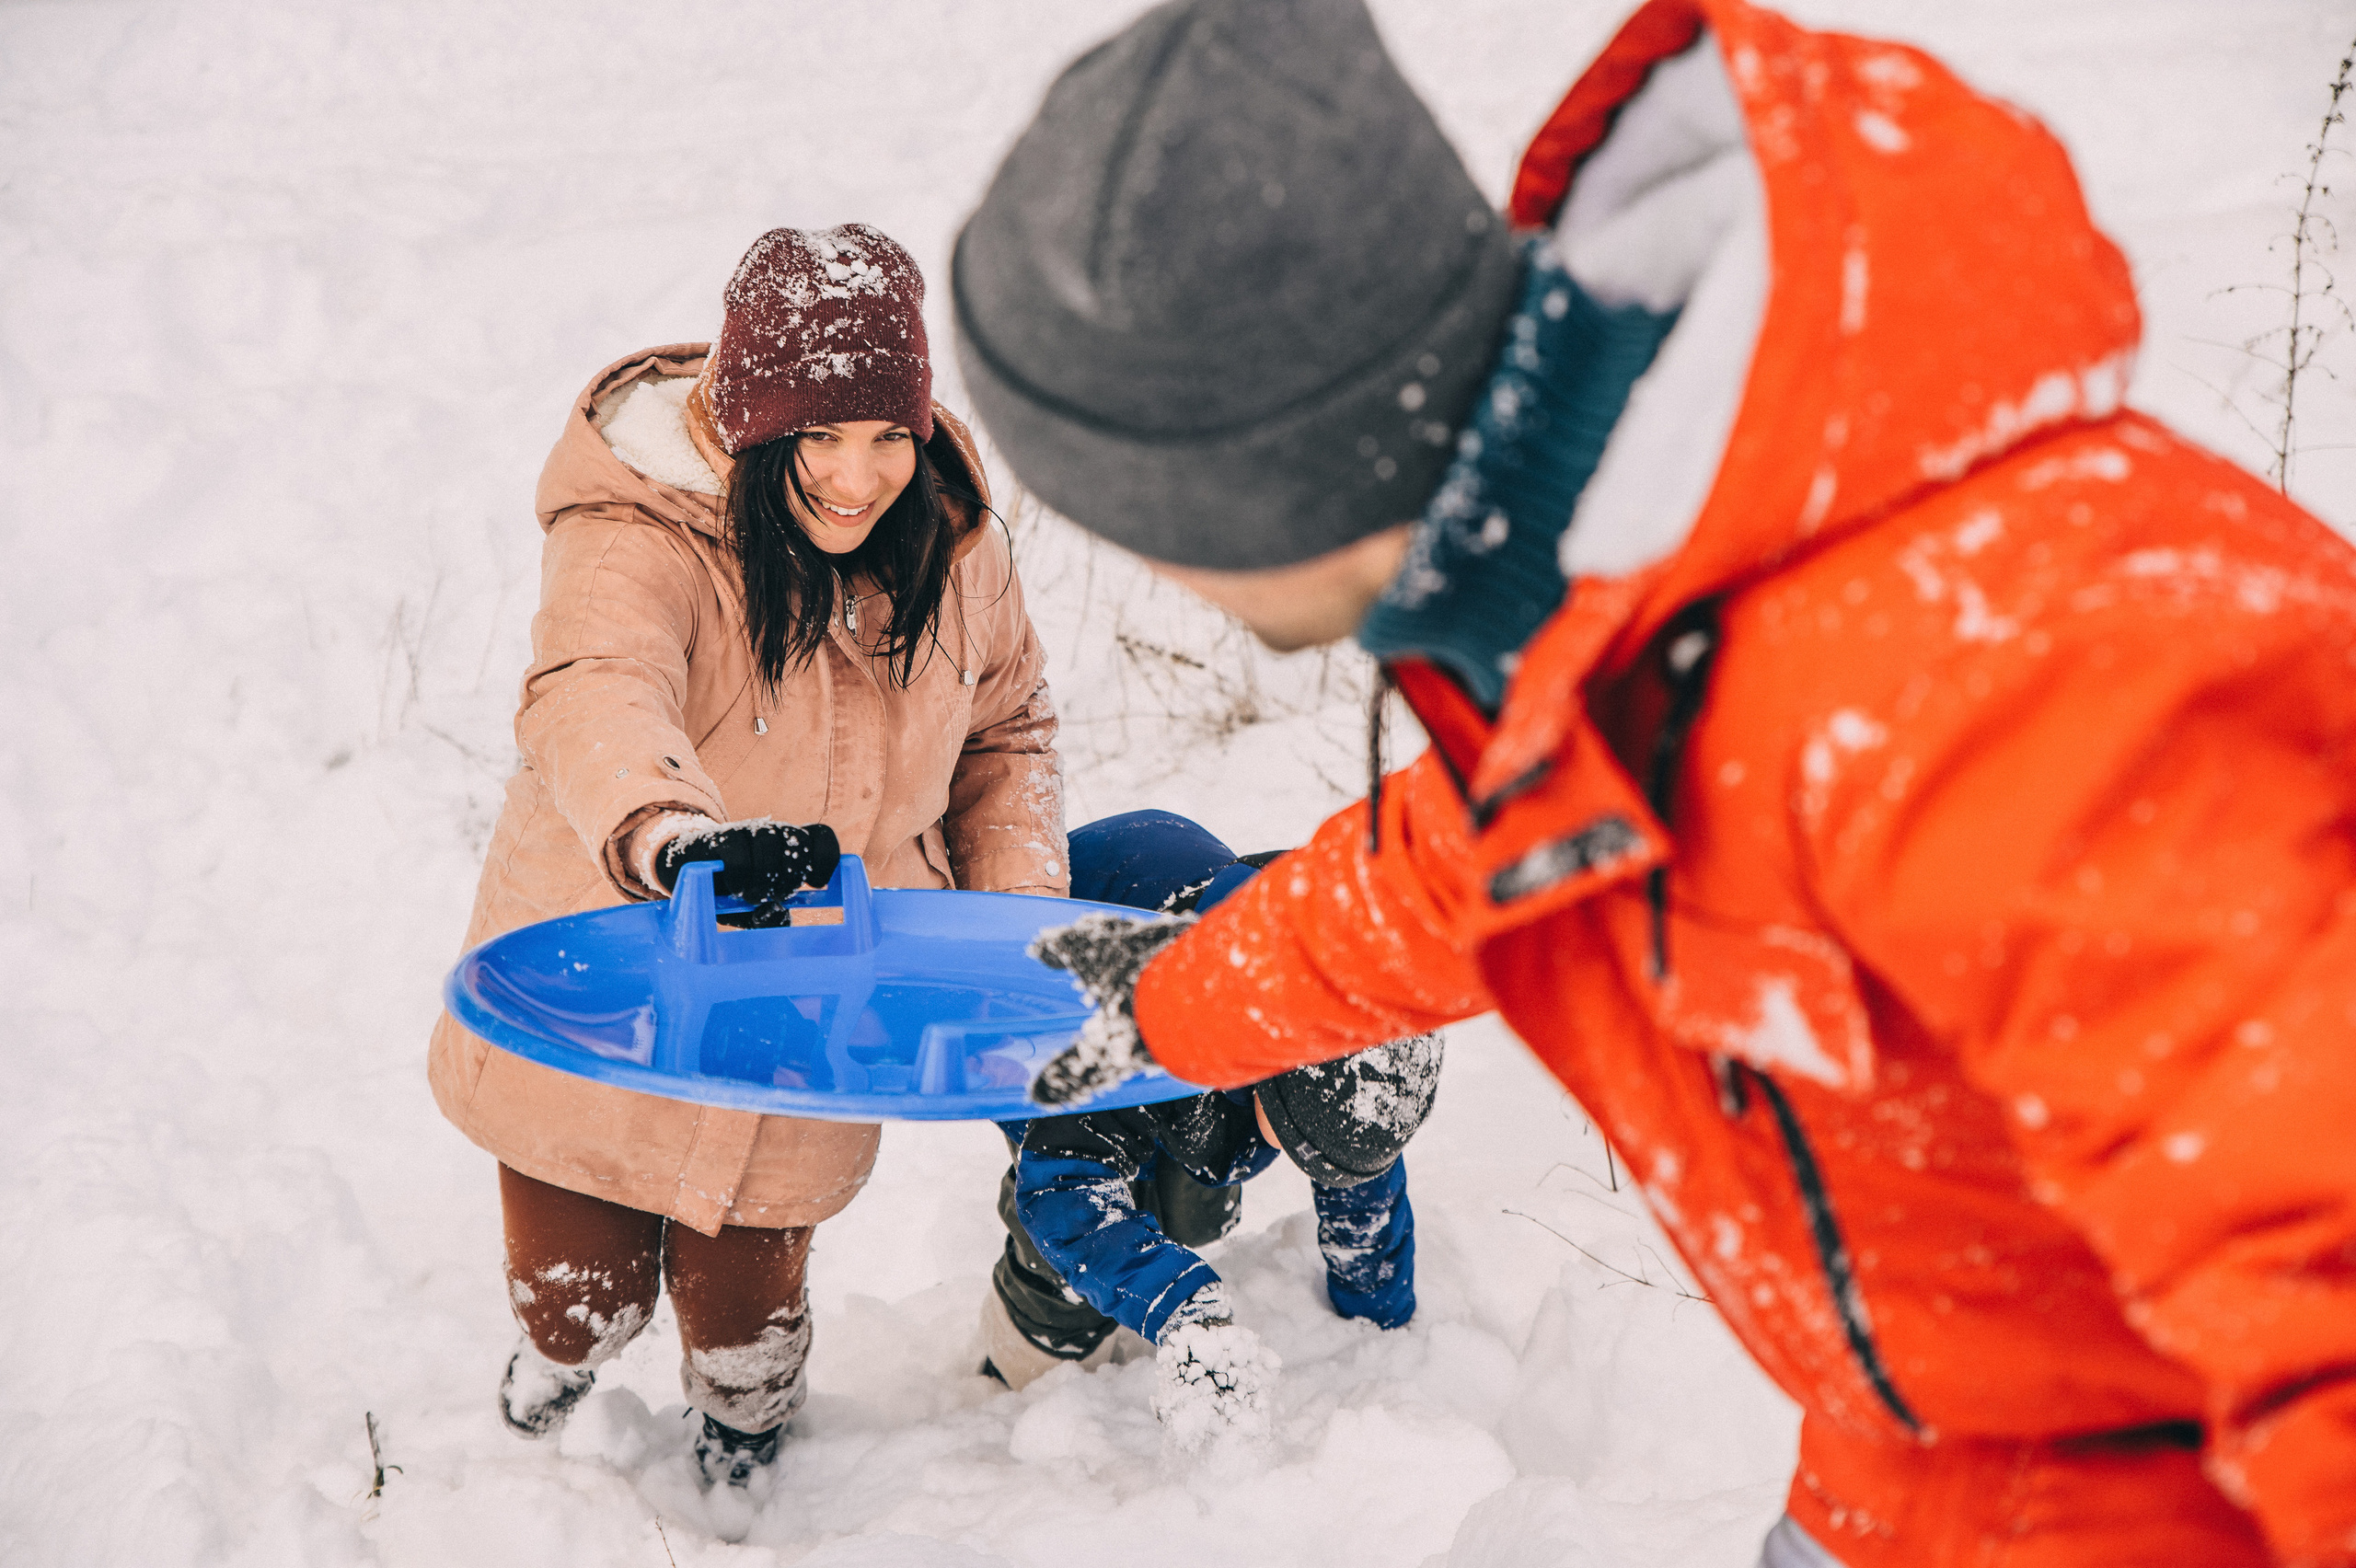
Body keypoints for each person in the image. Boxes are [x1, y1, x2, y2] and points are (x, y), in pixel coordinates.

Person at [950, 1, 2356, 1564]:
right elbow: (1454, 869)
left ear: (1257, 480)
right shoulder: (1617, 596)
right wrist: (1163, 1006)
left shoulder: (1980, 676)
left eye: (1132, 520)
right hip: (1925, 1457)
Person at [428, 224, 1066, 1491]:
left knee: (747, 1317)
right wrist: (675, 838)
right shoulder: (640, 532)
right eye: (819, 436)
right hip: (614, 967)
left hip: (813, 999)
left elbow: (1009, 730)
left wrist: (1011, 932)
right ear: (754, 424)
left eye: (887, 435)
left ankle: (747, 1444)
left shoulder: (955, 546)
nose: (857, 475)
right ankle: (552, 1374)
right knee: (582, 1294)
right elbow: (596, 688)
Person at [981, 813, 1440, 1445]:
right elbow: (1065, 1194)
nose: (1311, 1166)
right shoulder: (1121, 1037)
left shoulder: (1340, 1029)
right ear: (1266, 1076)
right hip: (1048, 1027)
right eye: (1304, 1149)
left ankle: (1156, 1227)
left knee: (1193, 1209)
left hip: (1204, 1047)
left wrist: (1378, 1316)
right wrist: (1182, 1307)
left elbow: (1361, 1177)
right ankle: (1023, 1366)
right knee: (1067, 1254)